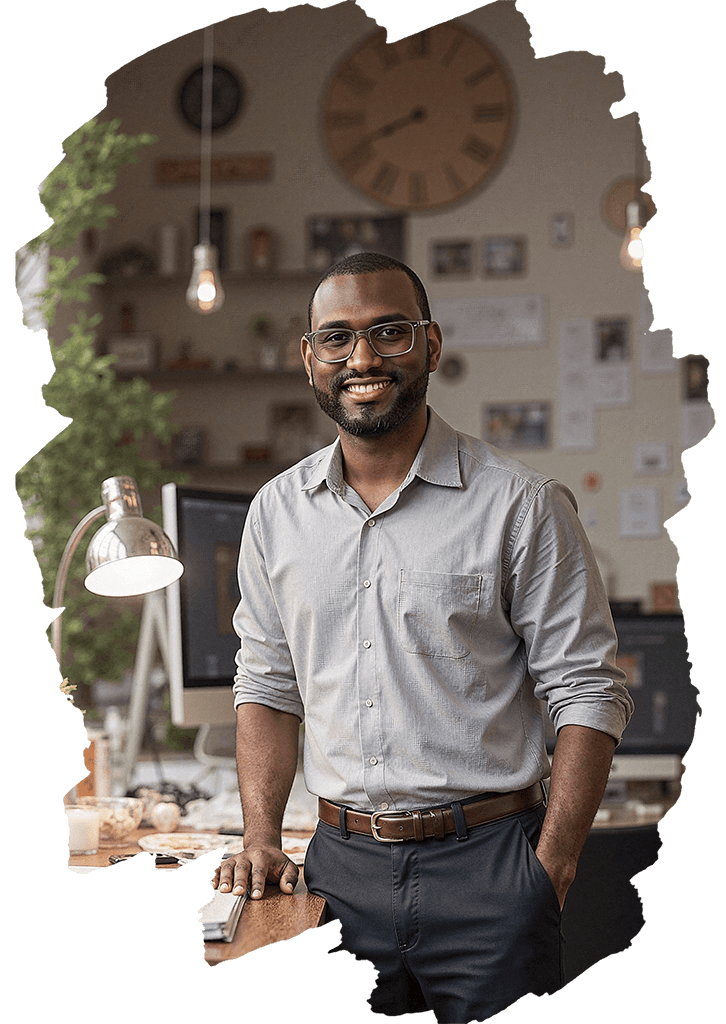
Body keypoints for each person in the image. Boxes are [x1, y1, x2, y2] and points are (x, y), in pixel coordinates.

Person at [211, 252, 634, 1021]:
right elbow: (268, 686)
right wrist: (260, 836)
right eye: (336, 338)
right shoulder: (276, 514)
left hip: (492, 867)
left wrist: (552, 867)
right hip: (338, 874)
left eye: (389, 332)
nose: (362, 358)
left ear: (430, 346)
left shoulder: (522, 506)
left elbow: (589, 692)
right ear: (309, 359)